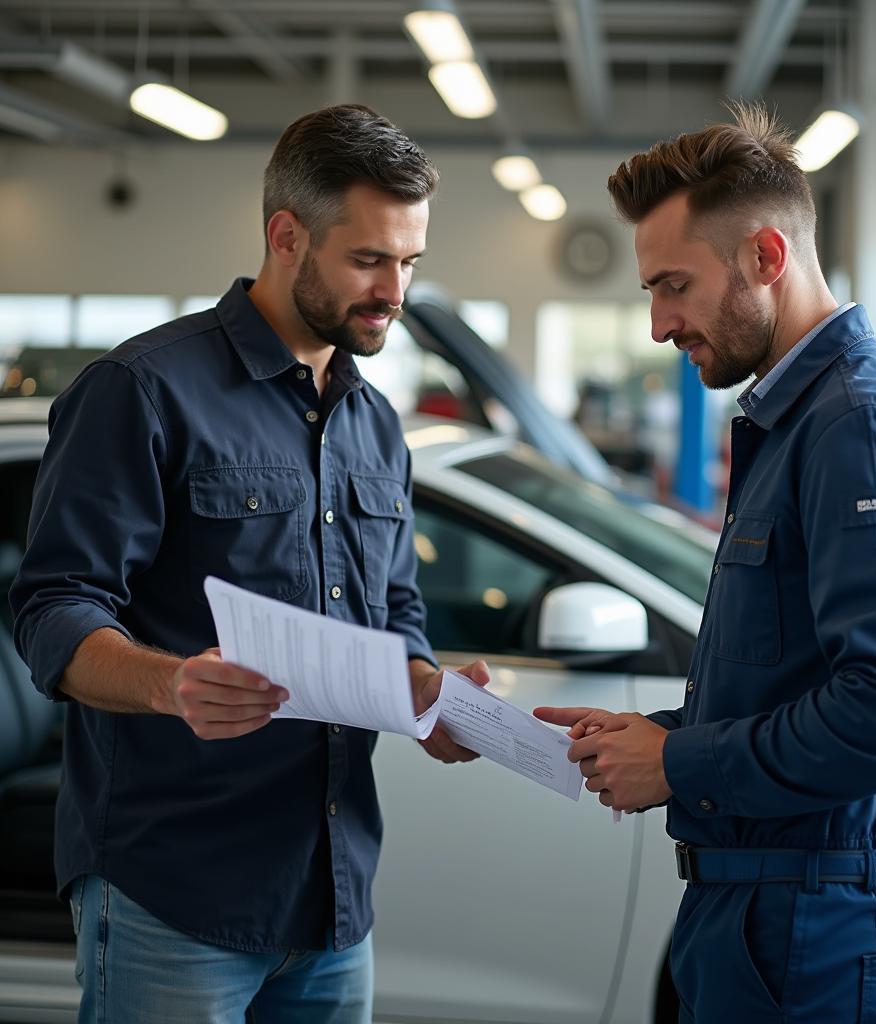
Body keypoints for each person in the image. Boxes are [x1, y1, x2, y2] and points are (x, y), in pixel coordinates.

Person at [10, 104, 488, 1024]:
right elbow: (52, 608)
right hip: (173, 893)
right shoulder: (142, 391)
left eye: (410, 263)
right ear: (285, 236)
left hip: (333, 897)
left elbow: (394, 614)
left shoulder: (375, 424)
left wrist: (428, 694)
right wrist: (169, 683)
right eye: (369, 260)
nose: (395, 289)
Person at [536, 102, 876, 1024]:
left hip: (821, 925)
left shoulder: (858, 427)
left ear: (766, 258)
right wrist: (654, 737)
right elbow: (802, 673)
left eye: (674, 286)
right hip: (772, 912)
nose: (660, 324)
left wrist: (683, 761)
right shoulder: (798, 421)